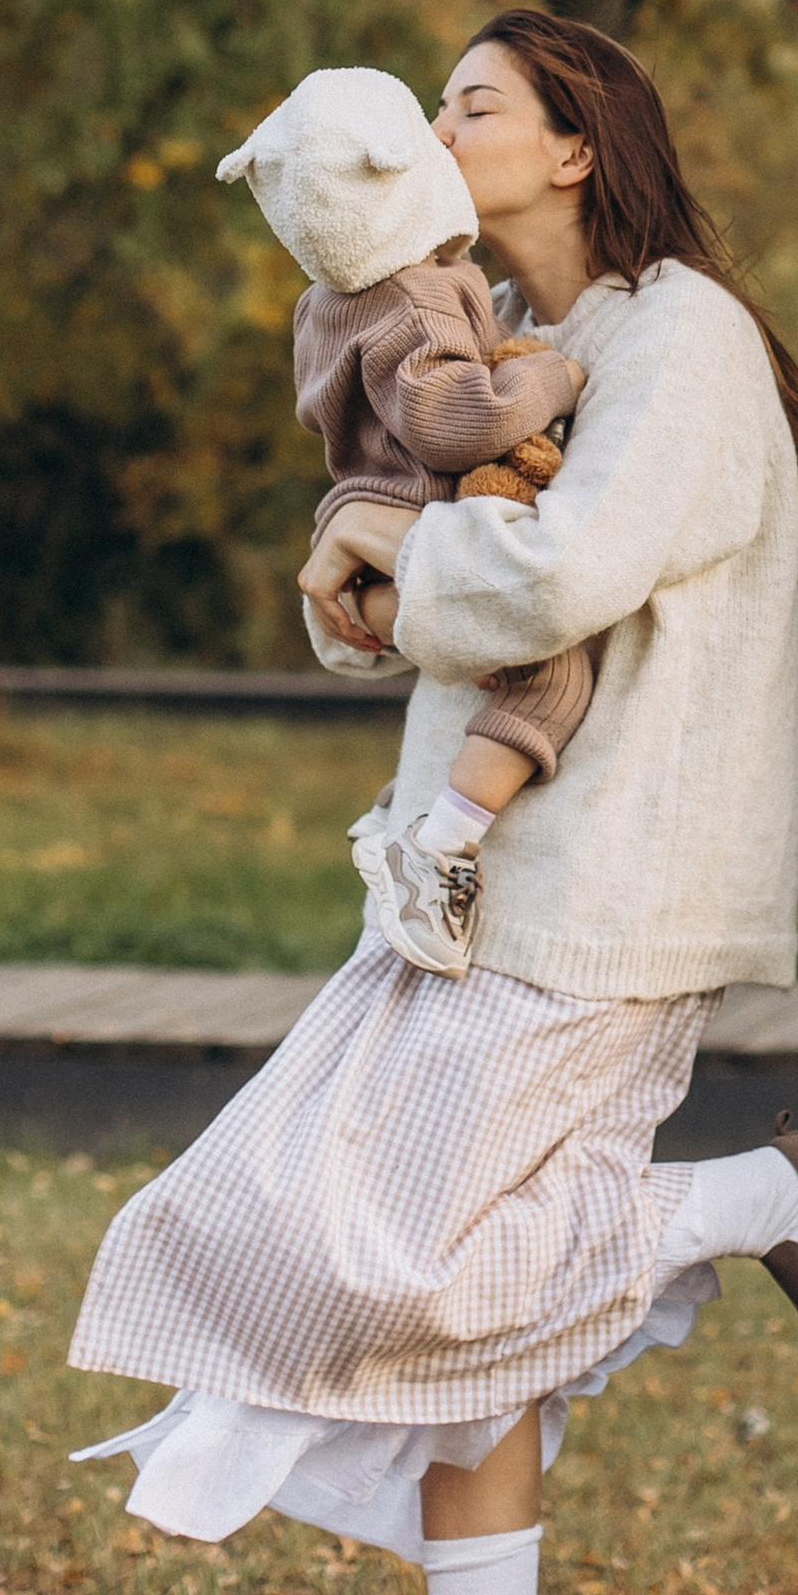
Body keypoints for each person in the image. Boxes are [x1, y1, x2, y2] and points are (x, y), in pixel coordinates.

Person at [64, 10, 798, 1595]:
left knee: (401, 1265)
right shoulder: (500, 338)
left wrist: (381, 560)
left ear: (578, 142)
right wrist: (353, 574)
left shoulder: (673, 336)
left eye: (473, 102)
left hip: (601, 897)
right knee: (447, 1334)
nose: (441, 126)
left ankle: (775, 1199)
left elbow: (548, 580)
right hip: (467, 891)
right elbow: (428, 600)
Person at [216, 63, 597, 976]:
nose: (441, 136)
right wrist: (550, 371)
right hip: (418, 507)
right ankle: (438, 848)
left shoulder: (327, 302)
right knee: (549, 682)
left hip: (369, 503)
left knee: (478, 672)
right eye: (434, 115)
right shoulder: (418, 296)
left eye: (470, 108)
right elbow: (452, 421)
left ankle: (408, 805)